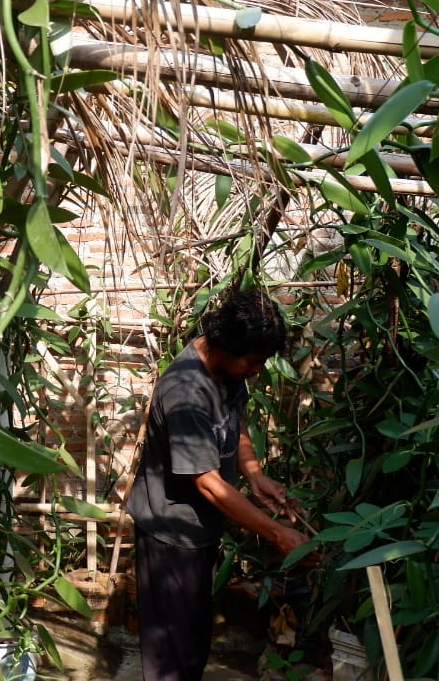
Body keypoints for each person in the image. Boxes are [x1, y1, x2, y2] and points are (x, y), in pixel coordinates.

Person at [127, 288, 308, 681]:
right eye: (254, 361)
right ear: (229, 346)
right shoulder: (186, 393)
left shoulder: (225, 367)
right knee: (171, 656)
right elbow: (206, 483)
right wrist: (277, 532)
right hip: (169, 535)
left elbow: (234, 418)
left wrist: (254, 472)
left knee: (192, 644)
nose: (257, 370)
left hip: (199, 530)